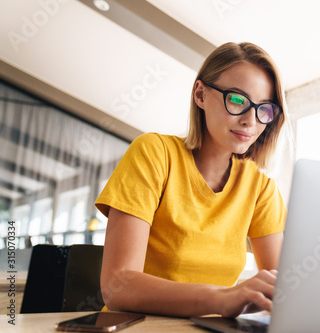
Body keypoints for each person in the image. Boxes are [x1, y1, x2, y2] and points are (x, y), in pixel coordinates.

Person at [95, 42, 290, 318]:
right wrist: (222, 298)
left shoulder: (260, 184)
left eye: (265, 110)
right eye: (237, 100)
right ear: (200, 94)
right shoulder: (154, 153)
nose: (251, 121)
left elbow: (283, 286)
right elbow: (118, 287)